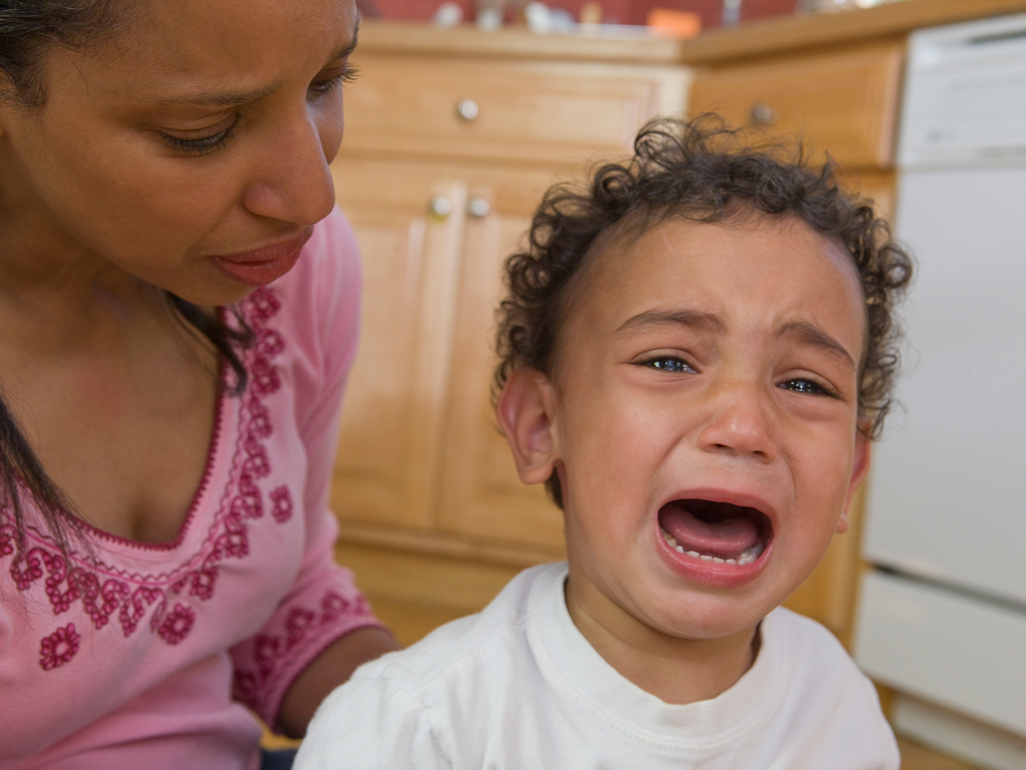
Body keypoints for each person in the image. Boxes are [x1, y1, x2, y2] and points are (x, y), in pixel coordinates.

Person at [295, 117, 914, 769]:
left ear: (850, 475)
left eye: (804, 383)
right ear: (540, 427)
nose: (743, 428)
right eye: (670, 363)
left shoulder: (838, 706)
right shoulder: (414, 730)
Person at [0, 0, 401, 767]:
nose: (313, 198)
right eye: (203, 132)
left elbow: (287, 598)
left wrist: (455, 714)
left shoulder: (288, 277)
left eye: (327, 81)